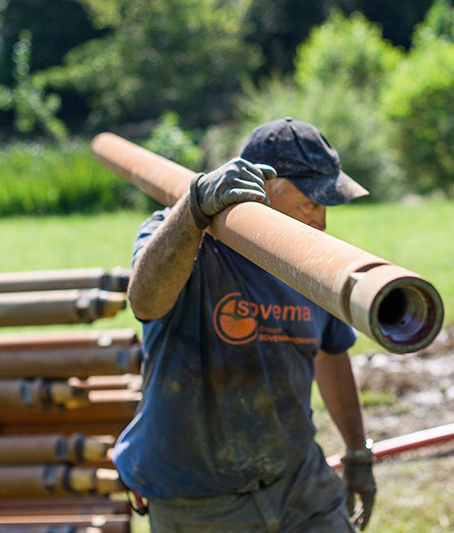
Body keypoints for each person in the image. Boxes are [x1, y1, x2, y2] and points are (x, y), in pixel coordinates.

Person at [113, 117, 377, 532]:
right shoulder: (182, 236)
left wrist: (358, 453)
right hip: (198, 495)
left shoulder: (312, 258)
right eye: (311, 203)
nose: (321, 221)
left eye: (326, 206)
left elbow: (331, 355)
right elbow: (145, 302)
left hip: (295, 478)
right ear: (267, 188)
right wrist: (195, 209)